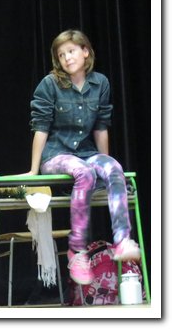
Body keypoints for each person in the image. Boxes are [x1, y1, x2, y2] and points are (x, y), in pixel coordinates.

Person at [24, 29, 141, 285]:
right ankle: (77, 251)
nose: (67, 58)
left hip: (86, 152)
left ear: (85, 51)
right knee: (84, 172)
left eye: (72, 51)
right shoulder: (50, 84)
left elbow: (101, 126)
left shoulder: (100, 83)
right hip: (56, 154)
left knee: (114, 168)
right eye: (61, 54)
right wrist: (34, 169)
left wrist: (106, 166)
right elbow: (40, 127)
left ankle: (122, 240)